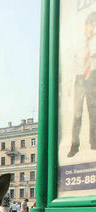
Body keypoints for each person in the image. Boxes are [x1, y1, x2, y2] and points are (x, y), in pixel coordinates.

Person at [67, 11, 96, 157]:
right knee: (77, 113)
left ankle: (94, 142)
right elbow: (71, 60)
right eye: (92, 25)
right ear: (87, 24)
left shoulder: (94, 40)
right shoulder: (78, 40)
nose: (93, 29)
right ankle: (74, 145)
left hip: (92, 76)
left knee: (93, 111)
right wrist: (69, 84)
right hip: (79, 77)